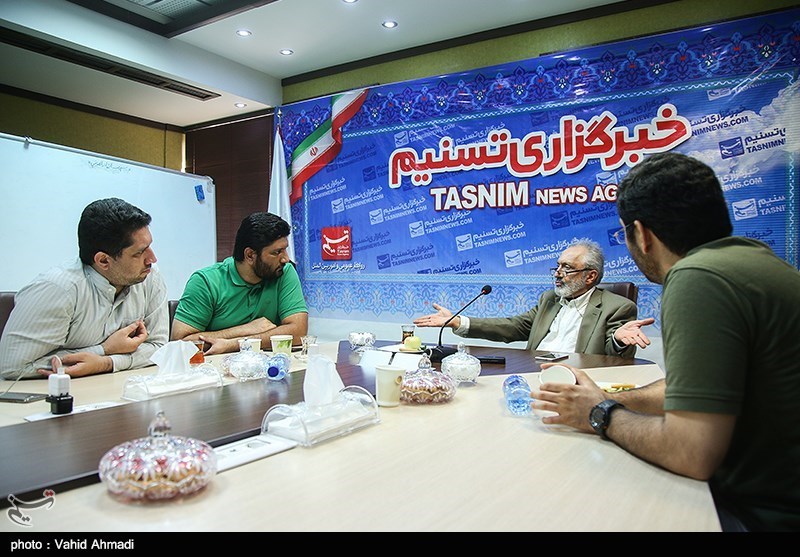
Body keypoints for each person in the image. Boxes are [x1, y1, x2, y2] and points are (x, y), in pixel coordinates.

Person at [533, 152, 800, 532]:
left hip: (758, 517)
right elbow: (691, 389)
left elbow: (690, 452)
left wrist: (599, 413)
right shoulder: (755, 262)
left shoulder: (697, 277)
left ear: (642, 234)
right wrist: (606, 397)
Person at [0, 198, 168, 380]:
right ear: (103, 260)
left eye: (149, 246)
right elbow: (12, 366)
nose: (152, 259)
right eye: (139, 252)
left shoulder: (150, 277)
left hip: (118, 389)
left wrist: (107, 362)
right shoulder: (58, 289)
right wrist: (104, 349)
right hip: (57, 393)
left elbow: (159, 347)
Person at [414, 239, 653, 358]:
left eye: (567, 268)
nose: (558, 273)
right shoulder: (549, 299)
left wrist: (619, 341)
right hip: (532, 372)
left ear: (590, 276)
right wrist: (459, 321)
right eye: (557, 266)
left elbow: (613, 359)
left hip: (577, 381)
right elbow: (515, 327)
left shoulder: (617, 307)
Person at [171, 212, 308, 354]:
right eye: (277, 252)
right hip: (214, 366)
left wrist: (236, 343)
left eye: (285, 250)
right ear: (250, 255)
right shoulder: (206, 282)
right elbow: (179, 344)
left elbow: (298, 332)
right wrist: (245, 329)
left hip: (269, 365)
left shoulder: (283, 272)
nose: (285, 259)